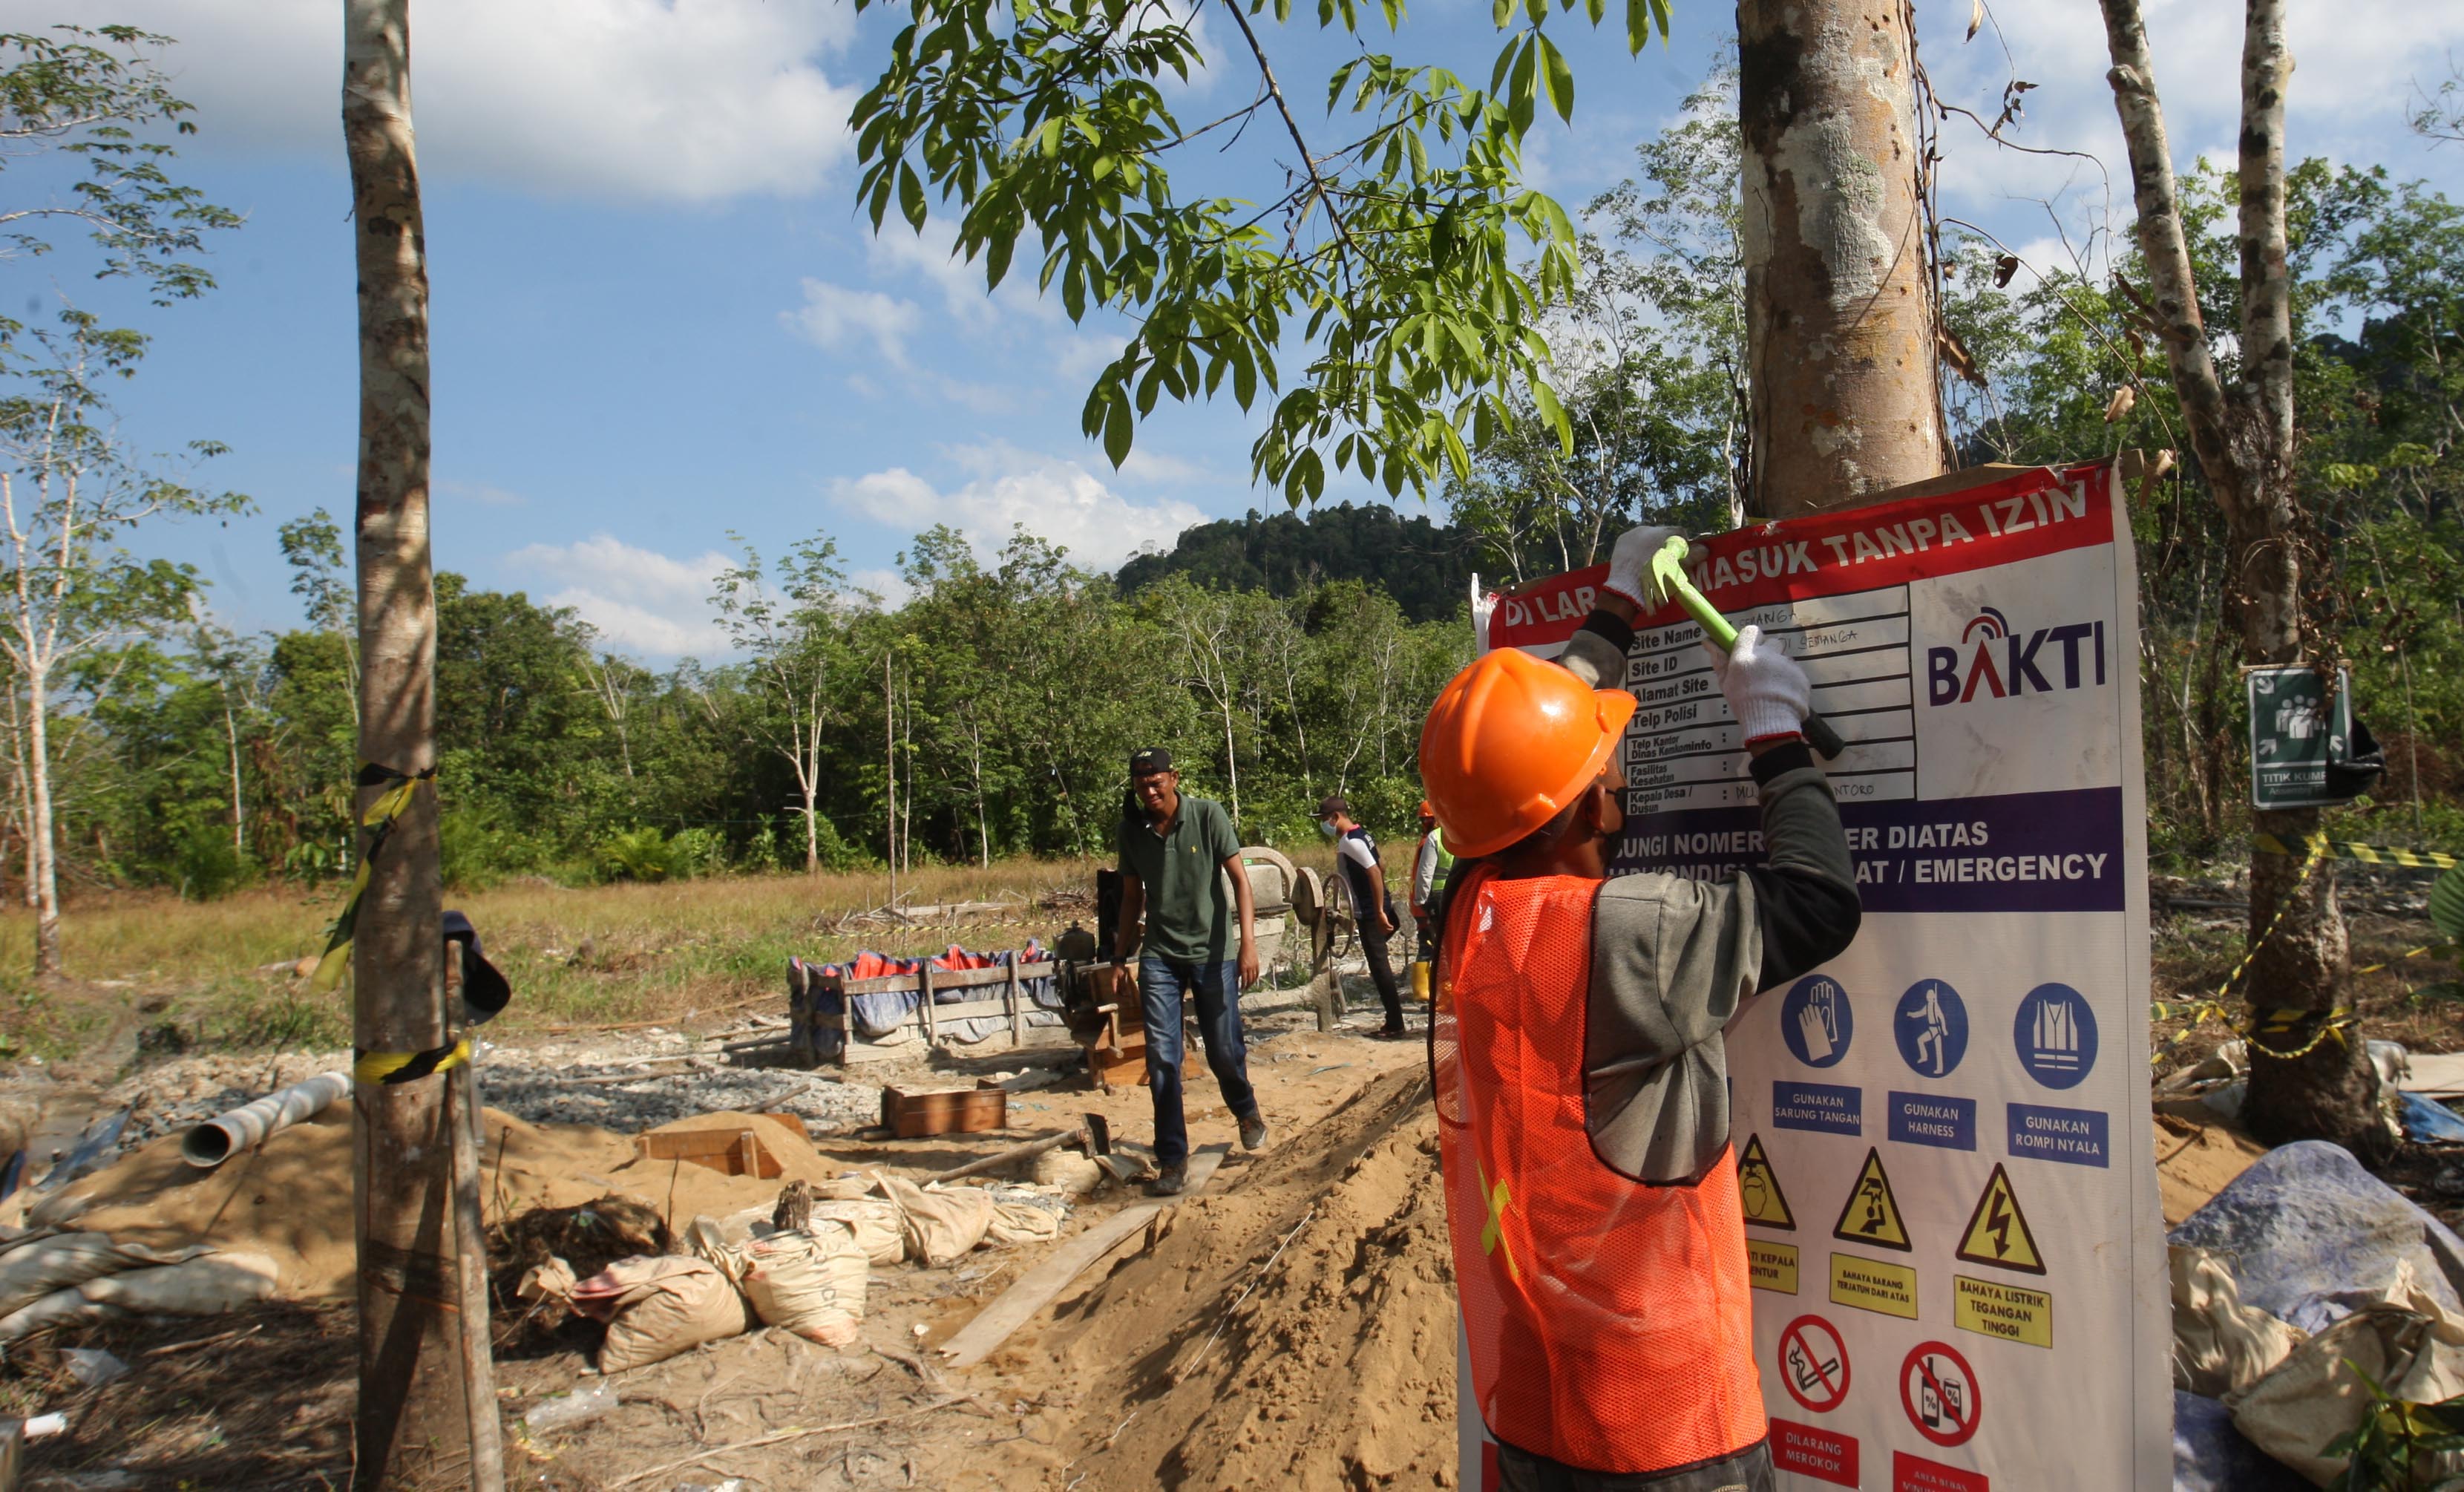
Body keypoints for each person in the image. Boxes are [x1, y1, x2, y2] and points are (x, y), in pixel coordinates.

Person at [1421, 523, 1863, 1492]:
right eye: (1606, 766)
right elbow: (1822, 903)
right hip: (1667, 1432)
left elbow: (1516, 760)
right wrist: (1774, 731)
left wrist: (1620, 600)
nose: (1617, 769)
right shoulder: (1630, 931)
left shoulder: (1466, 909)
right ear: (1594, 808)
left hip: (1535, 1410)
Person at [1114, 747, 1270, 1194]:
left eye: (1156, 779)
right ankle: (1172, 1161)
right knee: (1163, 1058)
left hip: (1213, 952)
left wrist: (1248, 946)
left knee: (1223, 1051)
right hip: (1160, 956)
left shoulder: (1208, 816)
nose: (1150, 788)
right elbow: (1130, 898)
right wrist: (1119, 957)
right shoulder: (1132, 831)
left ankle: (1245, 1108)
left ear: (1174, 777)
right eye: (1141, 782)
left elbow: (1240, 880)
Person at [1319, 794, 1407, 1038]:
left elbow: (1375, 873)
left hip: (1370, 912)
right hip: (1375, 906)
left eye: (1325, 819)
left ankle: (1395, 1024)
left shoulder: (1350, 841)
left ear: (1336, 817)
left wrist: (1378, 911)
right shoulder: (1363, 834)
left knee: (1380, 968)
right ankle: (1394, 1021)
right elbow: (1381, 865)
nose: (1324, 825)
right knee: (1380, 965)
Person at [1409, 798, 1455, 958]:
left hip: (1435, 897)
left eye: (1428, 819)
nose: (1426, 823)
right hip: (1459, 893)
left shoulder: (1433, 838)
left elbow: (1425, 873)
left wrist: (1422, 901)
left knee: (1433, 944)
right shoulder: (1459, 832)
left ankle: (1431, 979)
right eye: (1424, 820)